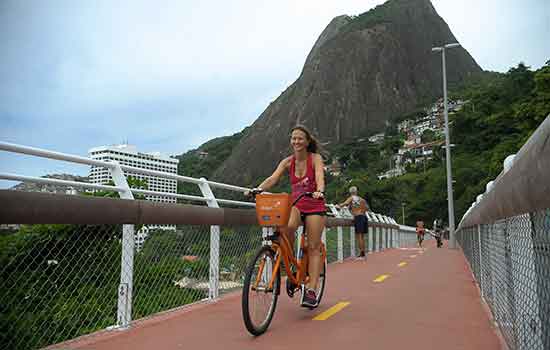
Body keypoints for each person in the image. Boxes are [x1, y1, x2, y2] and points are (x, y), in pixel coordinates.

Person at [252, 125, 326, 308]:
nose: (296, 141)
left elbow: (320, 177)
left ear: (307, 141)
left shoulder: (315, 158)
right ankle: (292, 263)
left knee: (314, 247)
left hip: (315, 204)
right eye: (293, 138)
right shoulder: (287, 162)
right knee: (287, 226)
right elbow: (272, 178)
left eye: (300, 138)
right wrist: (258, 189)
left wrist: (319, 191)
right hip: (297, 204)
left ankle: (311, 290)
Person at [338, 187, 369, 259]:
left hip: (358, 217)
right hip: (364, 217)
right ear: (356, 192)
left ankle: (361, 253)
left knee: (359, 236)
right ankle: (363, 252)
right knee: (362, 237)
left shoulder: (352, 198)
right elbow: (367, 208)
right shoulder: (362, 199)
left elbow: (345, 203)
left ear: (351, 192)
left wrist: (338, 205)